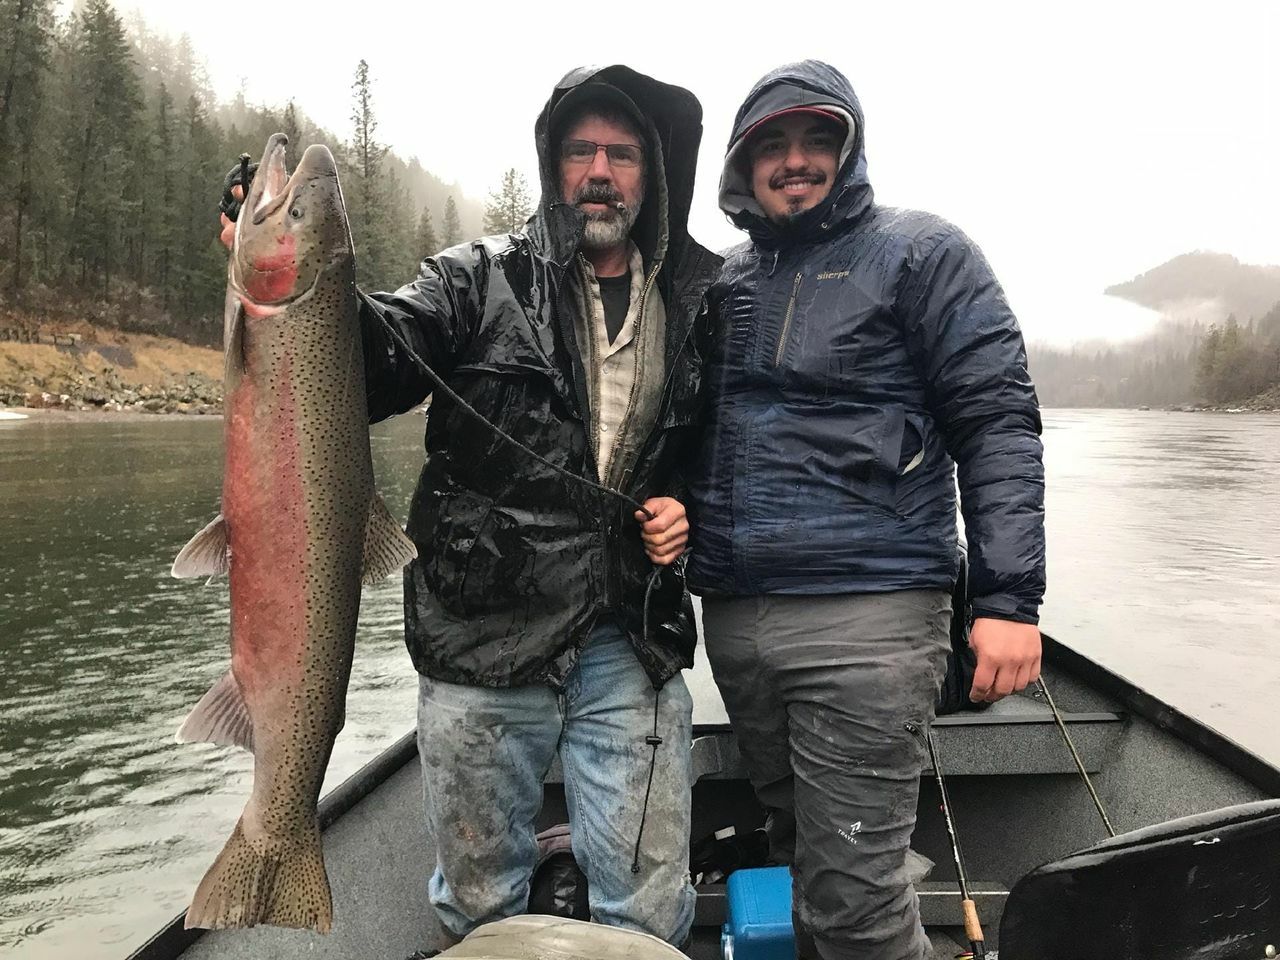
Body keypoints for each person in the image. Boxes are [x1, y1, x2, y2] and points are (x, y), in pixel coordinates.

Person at [219, 66, 721, 951]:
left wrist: (687, 511)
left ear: (653, 173)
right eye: (581, 152)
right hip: (480, 640)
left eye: (622, 153)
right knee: (480, 907)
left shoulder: (697, 301)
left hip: (628, 642)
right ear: (552, 164)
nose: (599, 171)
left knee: (649, 910)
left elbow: (716, 453)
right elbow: (376, 362)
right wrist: (303, 292)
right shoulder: (473, 279)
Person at [686, 60, 1046, 960]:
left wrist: (1007, 601)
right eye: (773, 144)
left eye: (818, 139)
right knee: (799, 854)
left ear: (849, 153)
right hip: (737, 620)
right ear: (742, 164)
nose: (796, 160)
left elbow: (997, 422)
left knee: (856, 901)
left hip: (871, 618)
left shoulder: (923, 253)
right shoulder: (721, 284)